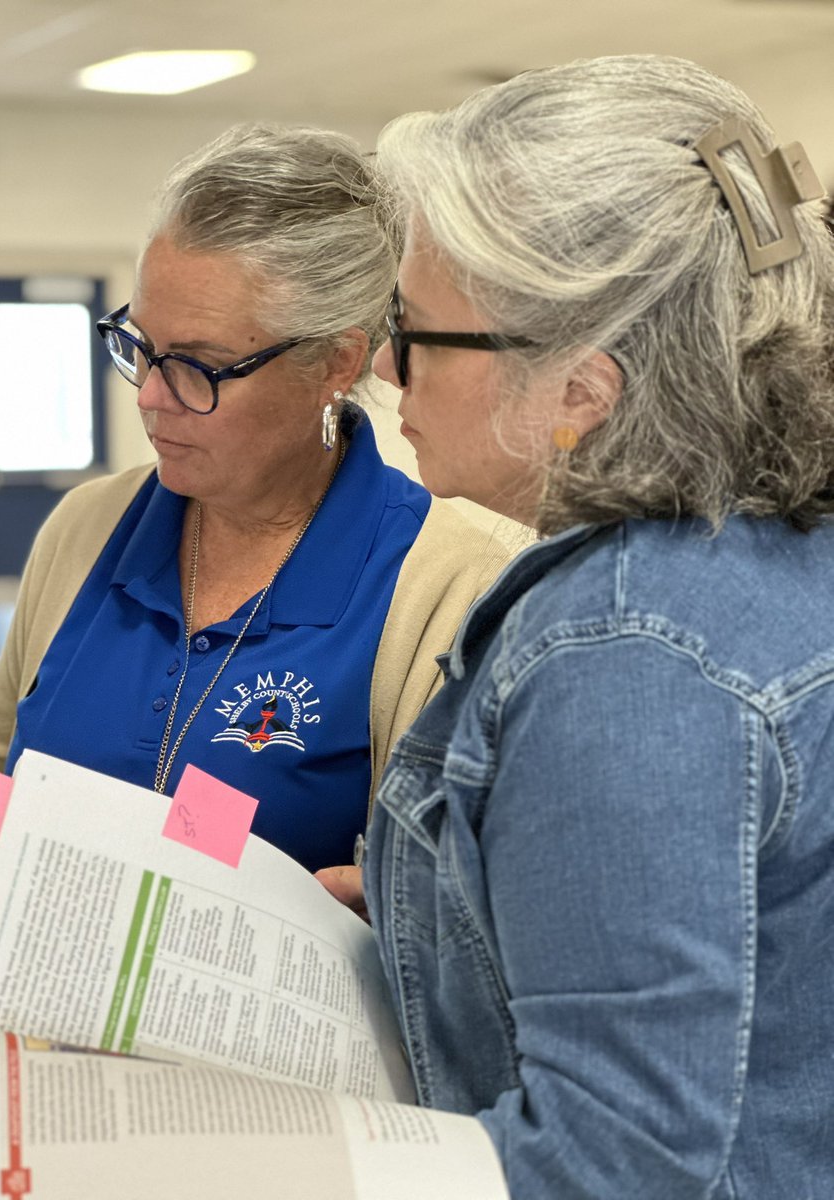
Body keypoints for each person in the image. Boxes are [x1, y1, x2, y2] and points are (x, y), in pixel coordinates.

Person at [355, 55, 834, 1197]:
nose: (382, 367)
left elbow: (613, 1162)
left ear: (582, 391)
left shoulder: (624, 653)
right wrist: (453, 898)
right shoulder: (775, 552)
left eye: (414, 330)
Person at [0, 123, 508, 874]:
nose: (151, 396)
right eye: (139, 346)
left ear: (334, 361)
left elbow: (453, 886)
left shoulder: (447, 586)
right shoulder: (88, 527)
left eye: (199, 366)